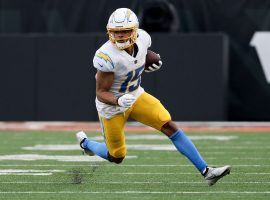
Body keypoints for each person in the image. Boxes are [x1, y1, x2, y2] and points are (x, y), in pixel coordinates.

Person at [76, 8, 231, 186]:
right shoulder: (107, 55)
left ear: (134, 31)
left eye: (125, 31)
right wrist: (118, 100)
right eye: (116, 32)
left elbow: (141, 55)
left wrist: (151, 60)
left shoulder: (143, 38)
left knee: (169, 125)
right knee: (117, 156)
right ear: (109, 32)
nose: (120, 36)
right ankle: (86, 143)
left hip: (136, 95)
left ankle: (207, 171)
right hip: (112, 107)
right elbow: (101, 93)